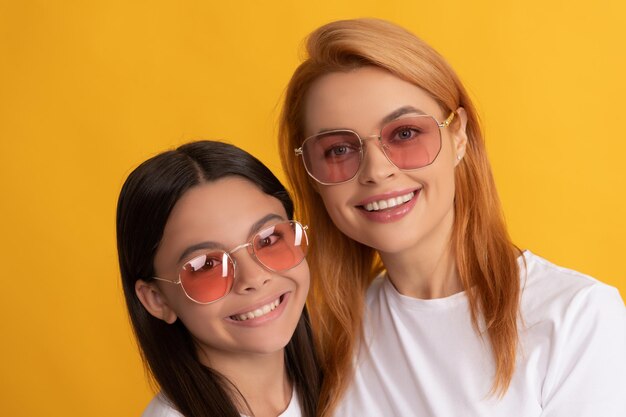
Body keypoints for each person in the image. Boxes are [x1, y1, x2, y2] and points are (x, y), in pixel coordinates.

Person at [278, 18, 626, 417]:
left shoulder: (577, 317)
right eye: (338, 150)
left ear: (458, 136)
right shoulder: (322, 335)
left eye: (405, 133)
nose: (376, 170)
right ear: (312, 174)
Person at [116, 140, 320, 417]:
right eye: (206, 265)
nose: (254, 277)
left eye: (269, 238)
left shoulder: (350, 374)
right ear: (157, 299)